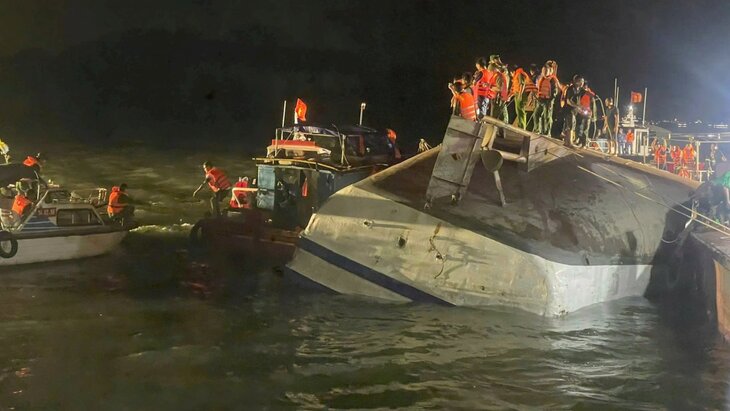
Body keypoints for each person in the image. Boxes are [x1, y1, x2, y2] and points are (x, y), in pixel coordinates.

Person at [532, 62, 560, 135]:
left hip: (548, 100)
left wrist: (550, 101)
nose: (544, 72)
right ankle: (537, 129)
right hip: (540, 99)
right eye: (543, 71)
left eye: (546, 71)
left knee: (547, 117)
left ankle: (547, 132)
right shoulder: (541, 79)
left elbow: (554, 92)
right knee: (536, 114)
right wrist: (536, 96)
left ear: (549, 71)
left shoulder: (552, 80)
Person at [563, 76, 591, 148]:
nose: (582, 83)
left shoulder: (580, 90)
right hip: (569, 109)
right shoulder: (571, 89)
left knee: (572, 125)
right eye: (580, 81)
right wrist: (576, 106)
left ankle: (566, 142)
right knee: (571, 125)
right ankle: (569, 142)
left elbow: (585, 96)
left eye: (583, 82)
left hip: (575, 110)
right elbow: (568, 101)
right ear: (576, 81)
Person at [511, 65, 538, 129]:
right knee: (518, 110)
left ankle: (522, 126)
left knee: (520, 110)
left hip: (521, 94)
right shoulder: (518, 73)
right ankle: (520, 124)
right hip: (518, 93)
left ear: (512, 71)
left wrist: (520, 94)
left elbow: (522, 84)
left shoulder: (519, 74)